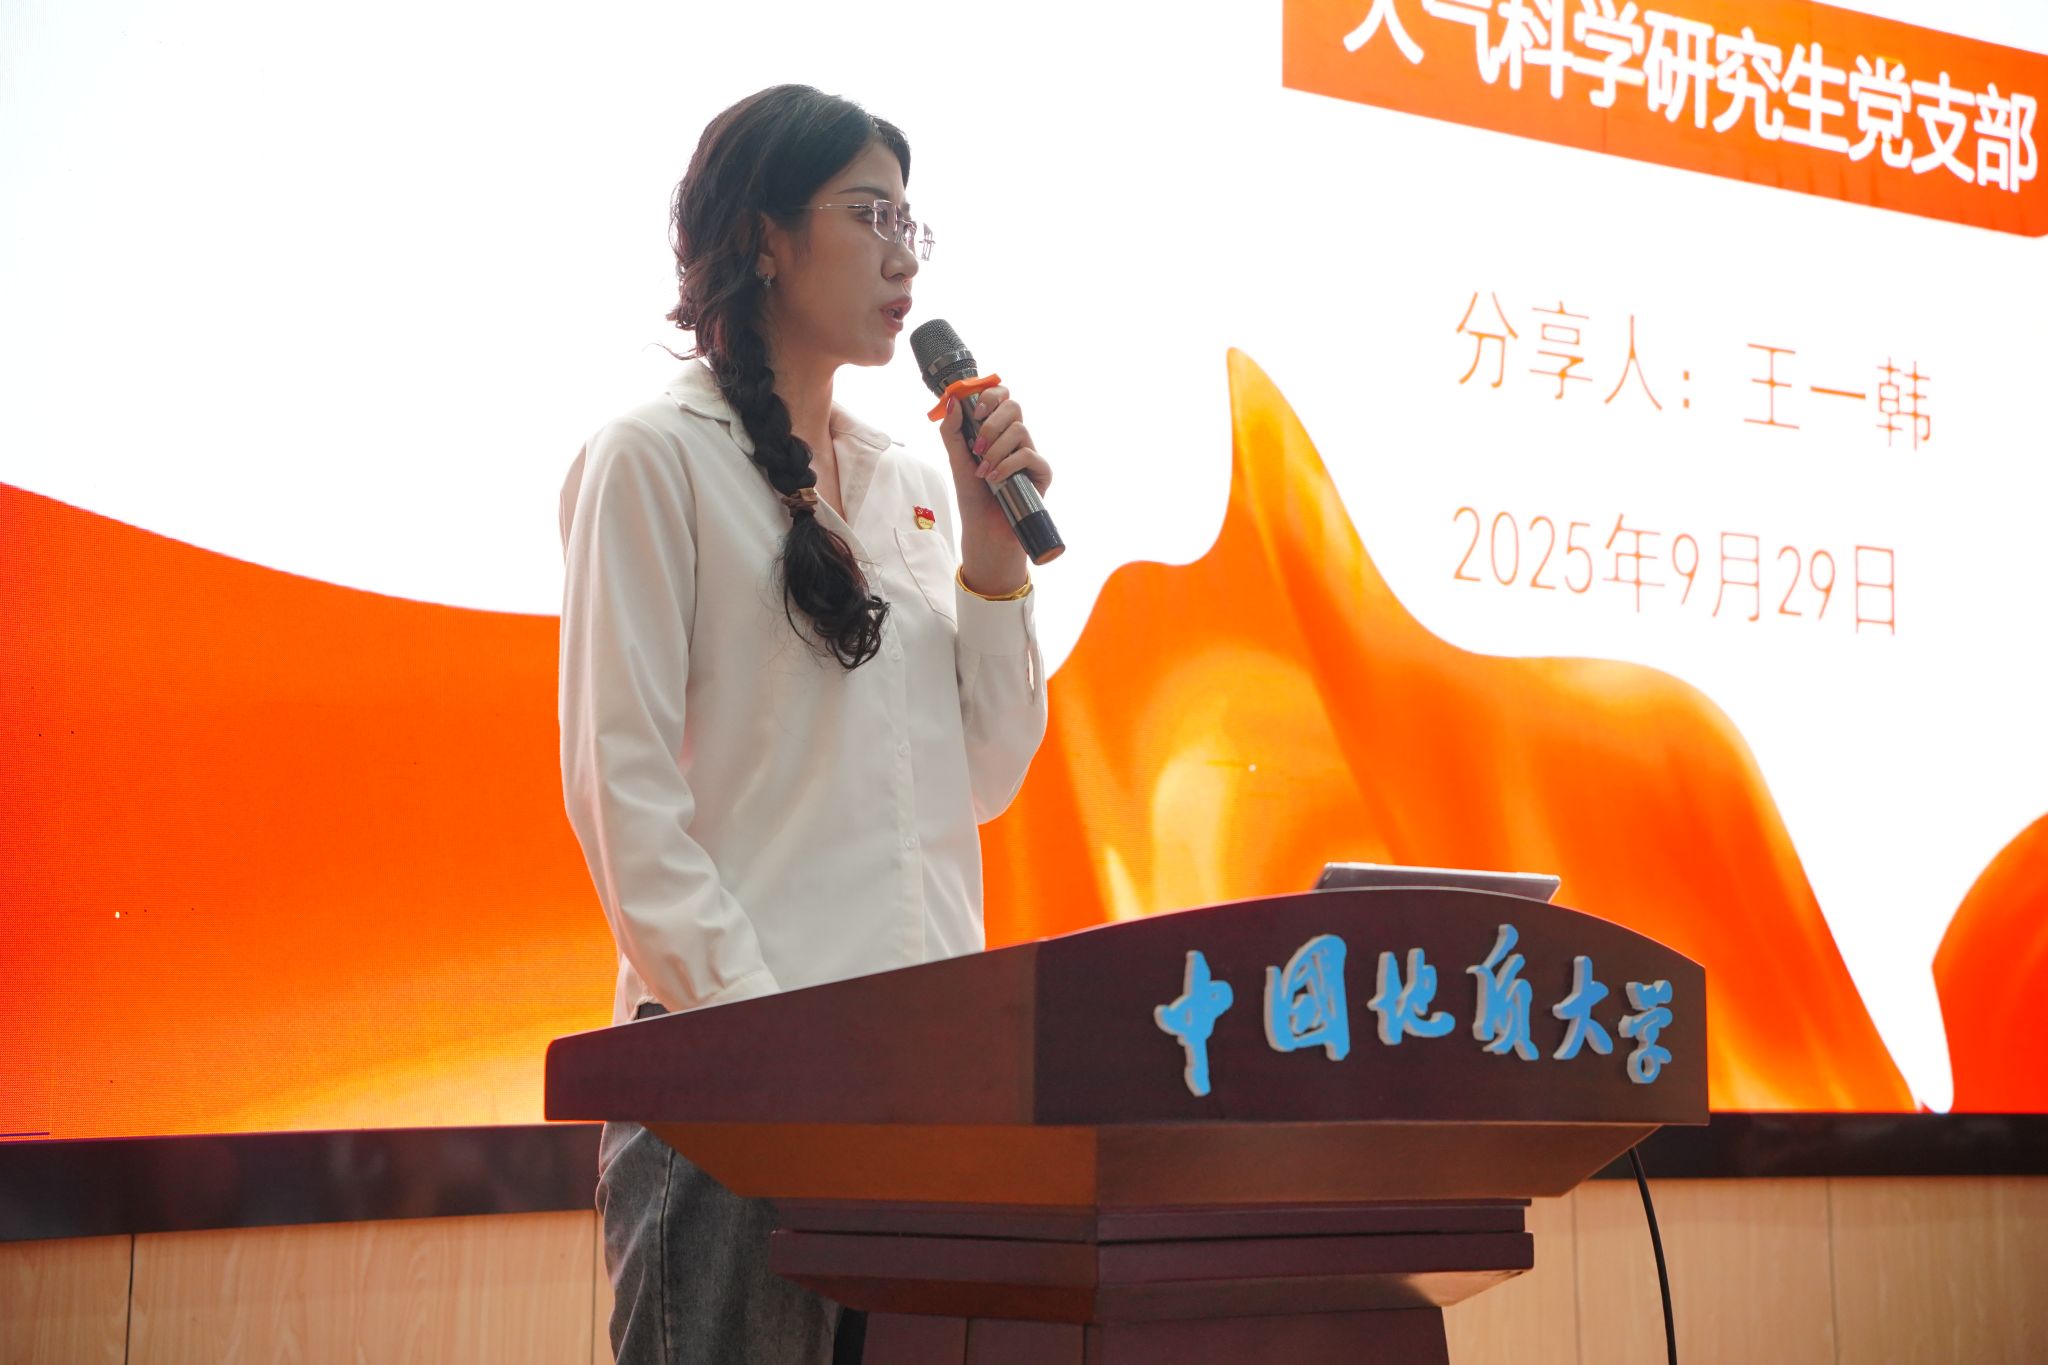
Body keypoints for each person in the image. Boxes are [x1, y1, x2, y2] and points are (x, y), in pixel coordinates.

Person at [556, 84, 1052, 1365]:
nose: (902, 254)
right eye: (868, 214)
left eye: (910, 222)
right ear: (765, 236)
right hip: (736, 1102)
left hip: (922, 1104)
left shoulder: (908, 485)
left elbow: (983, 776)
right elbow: (621, 794)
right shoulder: (654, 457)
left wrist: (992, 556)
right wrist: (775, 1050)